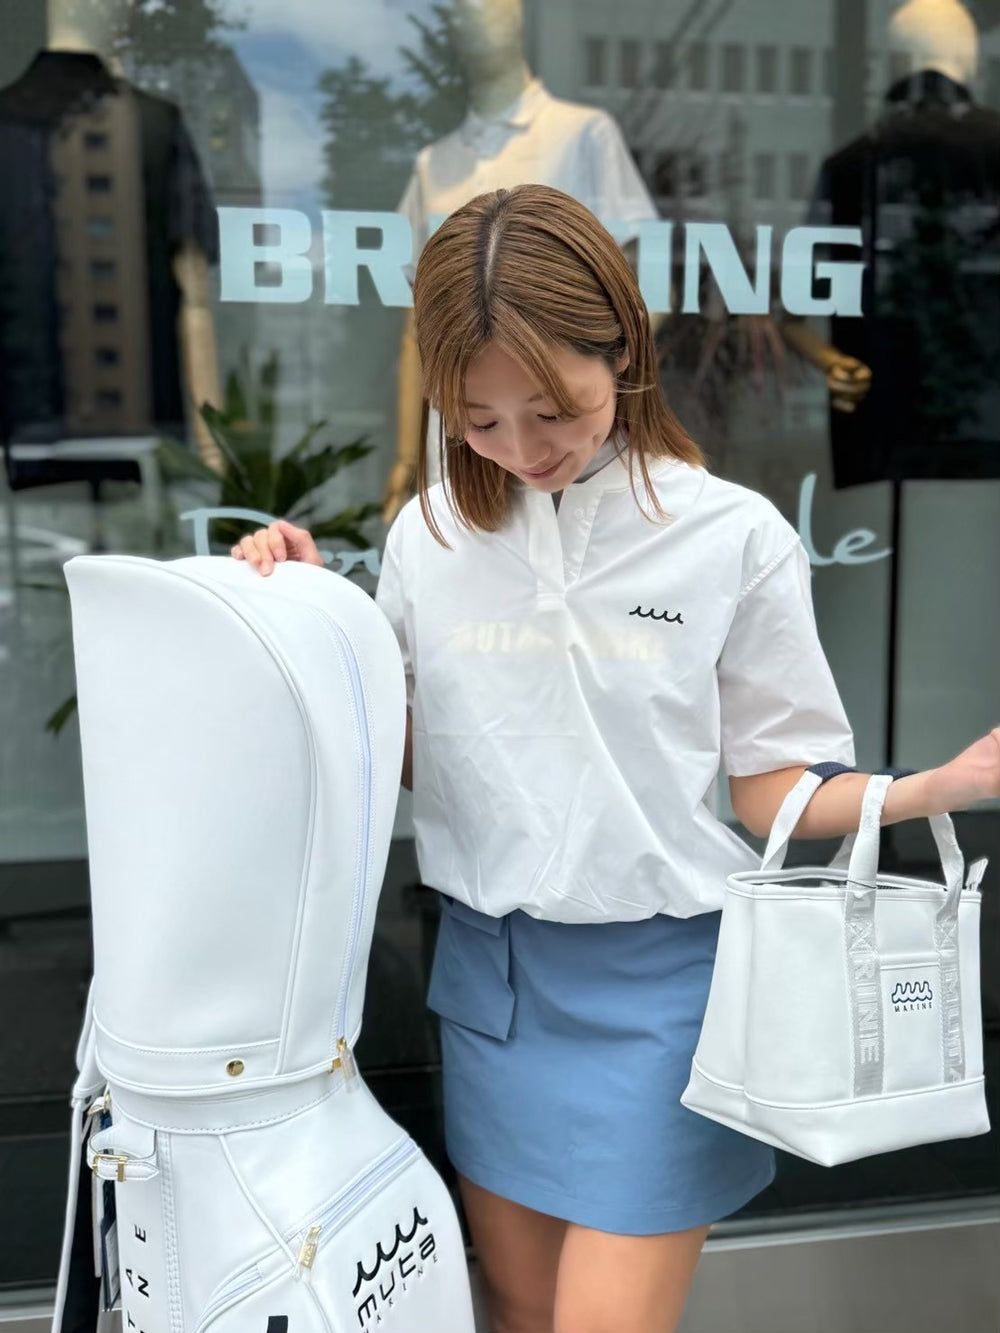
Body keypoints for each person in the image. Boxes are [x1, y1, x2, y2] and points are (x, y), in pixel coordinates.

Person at [231, 184, 1000, 1333]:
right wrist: (305, 612)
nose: (523, 449)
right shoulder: (428, 535)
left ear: (623, 350)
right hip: (491, 981)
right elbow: (411, 757)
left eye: (552, 408)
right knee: (516, 1309)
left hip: (663, 992)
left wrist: (944, 787)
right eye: (480, 421)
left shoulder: (729, 536)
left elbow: (768, 788)